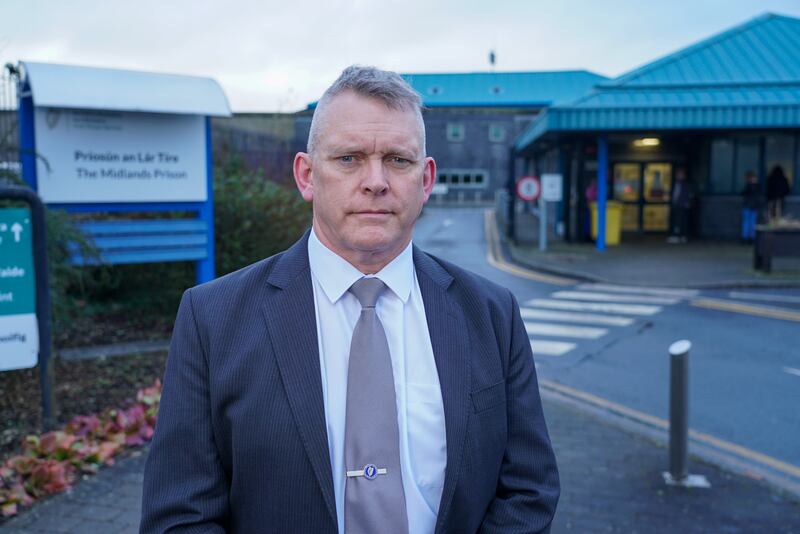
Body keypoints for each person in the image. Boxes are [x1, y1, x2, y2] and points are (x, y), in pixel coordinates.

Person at [140, 66, 559, 533]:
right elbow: (180, 515)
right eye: (348, 158)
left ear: (425, 180)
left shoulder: (491, 314)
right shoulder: (213, 319)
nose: (375, 181)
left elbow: (528, 490)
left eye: (398, 160)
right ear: (307, 176)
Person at [668, 167, 693, 244]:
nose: (679, 176)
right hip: (675, 205)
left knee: (682, 221)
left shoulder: (686, 185)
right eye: (678, 174)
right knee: (676, 221)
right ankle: (677, 235)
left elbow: (689, 195)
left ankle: (681, 236)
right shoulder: (675, 184)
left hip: (682, 206)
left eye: (681, 174)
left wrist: (687, 203)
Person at [740, 170, 761, 242]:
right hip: (749, 206)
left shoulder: (756, 186)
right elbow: (743, 193)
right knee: (747, 222)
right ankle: (746, 237)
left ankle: (750, 237)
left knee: (751, 222)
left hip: (752, 206)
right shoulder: (749, 186)